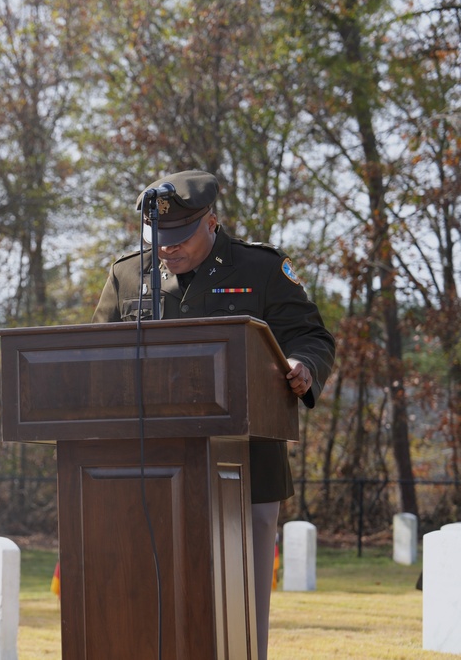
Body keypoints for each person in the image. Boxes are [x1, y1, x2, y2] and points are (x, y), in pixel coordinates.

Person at [92, 169, 336, 660]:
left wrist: (302, 366)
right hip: (145, 473)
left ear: (211, 222)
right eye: (158, 239)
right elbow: (94, 357)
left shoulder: (260, 269)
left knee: (240, 617)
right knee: (150, 608)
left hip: (245, 470)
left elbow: (311, 336)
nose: (167, 249)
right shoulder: (125, 275)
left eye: (179, 237)